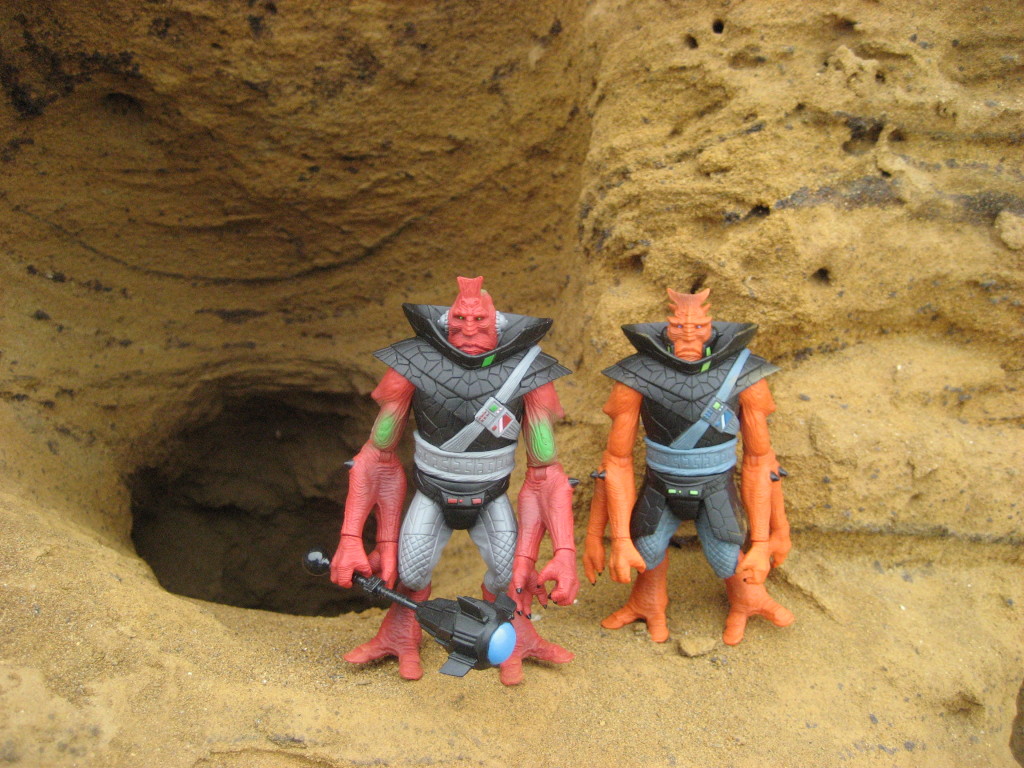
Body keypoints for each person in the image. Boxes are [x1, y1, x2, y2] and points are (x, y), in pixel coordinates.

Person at [331, 276, 578, 684]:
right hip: (432, 489)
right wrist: (352, 537)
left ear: (497, 323)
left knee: (508, 575)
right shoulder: (414, 363)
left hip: (491, 492)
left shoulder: (528, 369)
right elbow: (377, 458)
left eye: (479, 321)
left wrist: (565, 550)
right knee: (411, 572)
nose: (469, 330)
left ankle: (514, 632)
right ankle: (400, 630)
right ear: (447, 321)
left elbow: (545, 474)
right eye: (460, 319)